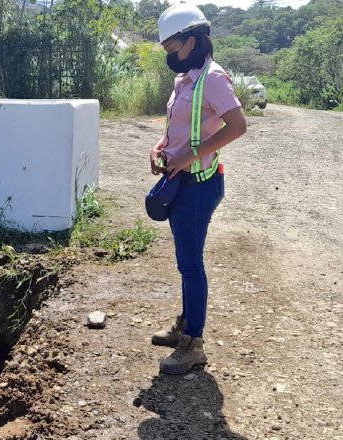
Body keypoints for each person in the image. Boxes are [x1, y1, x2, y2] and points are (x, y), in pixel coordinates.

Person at [149, 4, 247, 375]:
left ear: (190, 42)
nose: (169, 56)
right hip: (181, 182)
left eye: (171, 48)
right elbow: (179, 125)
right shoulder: (186, 78)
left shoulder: (214, 78)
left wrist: (190, 156)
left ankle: (193, 344)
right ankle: (186, 324)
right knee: (185, 261)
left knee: (191, 264)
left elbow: (237, 126)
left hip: (199, 185)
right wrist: (160, 146)